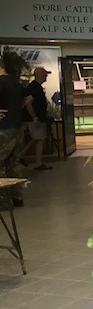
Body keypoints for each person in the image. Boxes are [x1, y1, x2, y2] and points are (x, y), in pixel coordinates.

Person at [0, 57, 31, 207]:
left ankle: (3, 200)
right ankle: (17, 196)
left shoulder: (1, 82)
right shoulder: (14, 82)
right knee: (13, 163)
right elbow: (28, 98)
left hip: (3, 128)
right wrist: (16, 110)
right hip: (16, 127)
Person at [20, 66, 52, 170]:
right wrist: (35, 118)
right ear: (40, 75)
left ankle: (20, 156)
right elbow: (28, 103)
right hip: (34, 119)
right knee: (39, 139)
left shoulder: (35, 87)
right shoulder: (35, 87)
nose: (46, 76)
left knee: (37, 139)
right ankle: (36, 162)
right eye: (45, 74)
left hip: (35, 118)